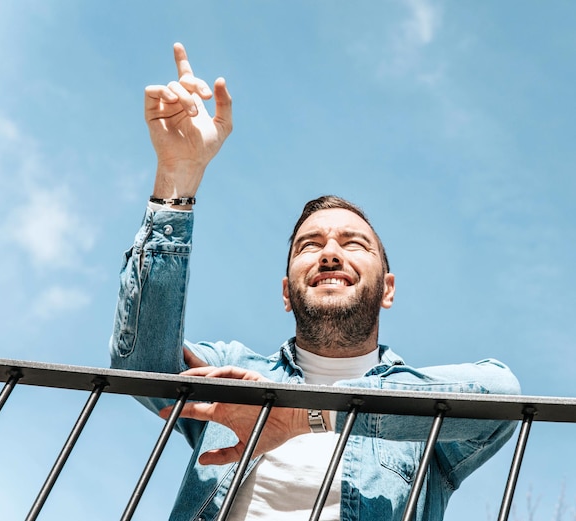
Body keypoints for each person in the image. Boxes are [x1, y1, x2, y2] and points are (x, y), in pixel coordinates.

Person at [109, 43, 520, 521]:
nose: (329, 252)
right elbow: (139, 367)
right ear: (287, 292)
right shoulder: (234, 371)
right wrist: (177, 178)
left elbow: (501, 395)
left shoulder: (423, 418)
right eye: (309, 245)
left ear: (387, 289)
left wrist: (307, 416)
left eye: (353, 243)